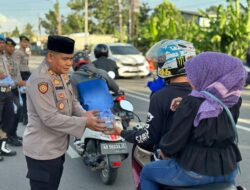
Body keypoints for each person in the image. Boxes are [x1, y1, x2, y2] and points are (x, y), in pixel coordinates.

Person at [140, 52, 247, 190]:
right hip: (228, 169)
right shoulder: (234, 101)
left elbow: (173, 142)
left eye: (194, 74)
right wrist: (186, 102)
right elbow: (213, 117)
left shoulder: (192, 103)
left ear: (209, 75)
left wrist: (164, 150)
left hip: (195, 171)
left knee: (147, 172)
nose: (190, 79)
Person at [23, 35, 108, 190]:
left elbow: (72, 101)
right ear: (50, 56)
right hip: (43, 151)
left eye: (71, 59)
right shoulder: (40, 80)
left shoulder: (60, 73)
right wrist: (85, 122)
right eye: (65, 59)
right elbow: (50, 118)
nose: (69, 64)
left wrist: (85, 114)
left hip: (57, 147)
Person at [108, 40, 196, 152]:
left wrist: (121, 132)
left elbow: (148, 138)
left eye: (161, 61)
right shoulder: (204, 92)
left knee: (147, 169)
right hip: (202, 159)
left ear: (169, 63)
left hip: (172, 159)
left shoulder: (160, 96)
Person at [4, 38, 25, 146]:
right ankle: (10, 136)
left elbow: (17, 73)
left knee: (19, 109)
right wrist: (18, 82)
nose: (11, 48)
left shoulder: (14, 57)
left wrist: (20, 83)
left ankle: (13, 134)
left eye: (13, 46)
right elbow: (6, 76)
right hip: (7, 89)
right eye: (9, 46)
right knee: (12, 112)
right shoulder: (3, 59)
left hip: (16, 88)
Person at [0, 36, 18, 160]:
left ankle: (3, 146)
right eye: (0, 42)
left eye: (2, 42)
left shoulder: (4, 57)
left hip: (8, 92)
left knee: (8, 119)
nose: (1, 44)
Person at [15, 35, 31, 125]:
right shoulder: (18, 53)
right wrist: (19, 80)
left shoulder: (25, 52)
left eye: (27, 42)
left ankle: (22, 117)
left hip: (27, 75)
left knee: (26, 97)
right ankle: (25, 119)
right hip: (22, 75)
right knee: (25, 98)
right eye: (24, 42)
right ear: (20, 42)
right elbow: (16, 67)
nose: (25, 43)